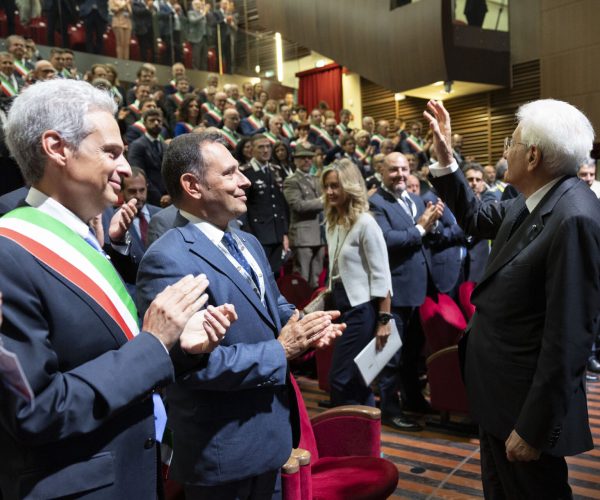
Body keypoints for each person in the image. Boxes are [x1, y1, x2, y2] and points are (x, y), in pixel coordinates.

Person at [0, 79, 230, 499]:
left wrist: (178, 349)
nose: (126, 169)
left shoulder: (83, 239)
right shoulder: (11, 251)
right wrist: (154, 344)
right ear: (57, 148)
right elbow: (35, 410)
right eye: (112, 152)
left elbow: (108, 354)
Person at [136, 131, 343, 499]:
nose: (245, 180)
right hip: (223, 452)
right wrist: (281, 351)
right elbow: (189, 367)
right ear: (193, 185)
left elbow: (273, 306)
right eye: (230, 173)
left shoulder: (245, 240)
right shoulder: (168, 258)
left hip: (272, 437)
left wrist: (304, 326)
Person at [424, 98, 600, 498]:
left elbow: (569, 340)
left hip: (524, 412)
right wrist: (446, 158)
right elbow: (474, 218)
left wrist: (533, 428)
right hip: (498, 397)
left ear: (533, 155)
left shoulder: (574, 217)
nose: (506, 152)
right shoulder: (536, 197)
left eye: (512, 143)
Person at [369, 152, 444, 429]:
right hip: (393, 292)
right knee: (390, 355)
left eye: (404, 169)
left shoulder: (414, 199)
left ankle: (413, 399)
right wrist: (422, 228)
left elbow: (422, 236)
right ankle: (389, 409)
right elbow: (387, 241)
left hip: (417, 290)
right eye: (393, 170)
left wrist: (431, 225)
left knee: (413, 353)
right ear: (381, 171)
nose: (400, 174)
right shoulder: (375, 203)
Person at [322, 159, 393, 407]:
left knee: (341, 379)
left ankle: (347, 436)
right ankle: (366, 443)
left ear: (349, 187)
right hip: (341, 307)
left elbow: (382, 274)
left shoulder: (366, 222)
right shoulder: (332, 221)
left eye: (336, 186)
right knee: (356, 379)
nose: (330, 192)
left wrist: (384, 321)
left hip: (361, 311)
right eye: (327, 186)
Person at [283, 145, 325, 288]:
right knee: (302, 278)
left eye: (309, 158)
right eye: (303, 158)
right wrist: (322, 201)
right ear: (295, 161)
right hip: (303, 236)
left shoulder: (316, 179)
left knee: (316, 278)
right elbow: (298, 206)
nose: (307, 160)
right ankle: (300, 308)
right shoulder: (291, 181)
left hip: (319, 234)